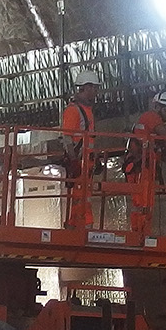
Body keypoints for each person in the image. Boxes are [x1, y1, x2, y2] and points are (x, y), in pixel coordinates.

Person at [60, 77, 102, 228]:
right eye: (94, 88)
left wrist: (95, 159)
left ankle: (80, 224)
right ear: (85, 87)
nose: (97, 92)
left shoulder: (87, 111)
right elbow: (67, 138)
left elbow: (88, 138)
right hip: (79, 161)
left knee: (84, 196)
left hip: (86, 161)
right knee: (80, 196)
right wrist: (73, 161)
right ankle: (81, 225)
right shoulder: (73, 110)